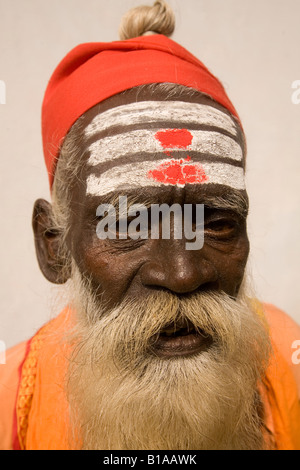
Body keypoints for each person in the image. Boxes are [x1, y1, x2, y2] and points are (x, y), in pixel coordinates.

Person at [1, 0, 300, 450]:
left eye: (216, 222)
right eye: (128, 225)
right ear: (54, 245)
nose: (183, 274)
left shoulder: (289, 363)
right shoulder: (9, 402)